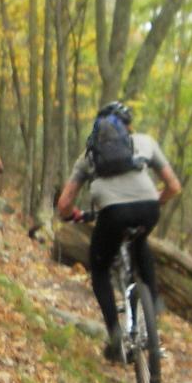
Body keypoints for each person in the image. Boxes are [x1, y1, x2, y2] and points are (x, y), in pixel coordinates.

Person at [56, 101, 182, 362]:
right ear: (128, 126)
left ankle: (115, 337)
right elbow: (173, 186)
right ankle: (153, 301)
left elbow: (64, 204)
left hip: (112, 214)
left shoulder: (89, 156)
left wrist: (74, 216)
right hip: (148, 208)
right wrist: (154, 201)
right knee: (140, 241)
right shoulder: (145, 142)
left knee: (100, 269)